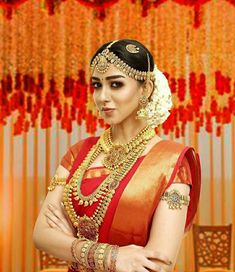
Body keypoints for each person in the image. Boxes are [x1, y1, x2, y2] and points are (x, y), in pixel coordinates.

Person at [33, 39, 201, 272]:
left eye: (116, 85)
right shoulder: (79, 153)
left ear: (146, 88)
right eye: (97, 85)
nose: (102, 97)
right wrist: (113, 256)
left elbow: (158, 264)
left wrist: (70, 242)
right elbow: (41, 234)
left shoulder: (172, 161)